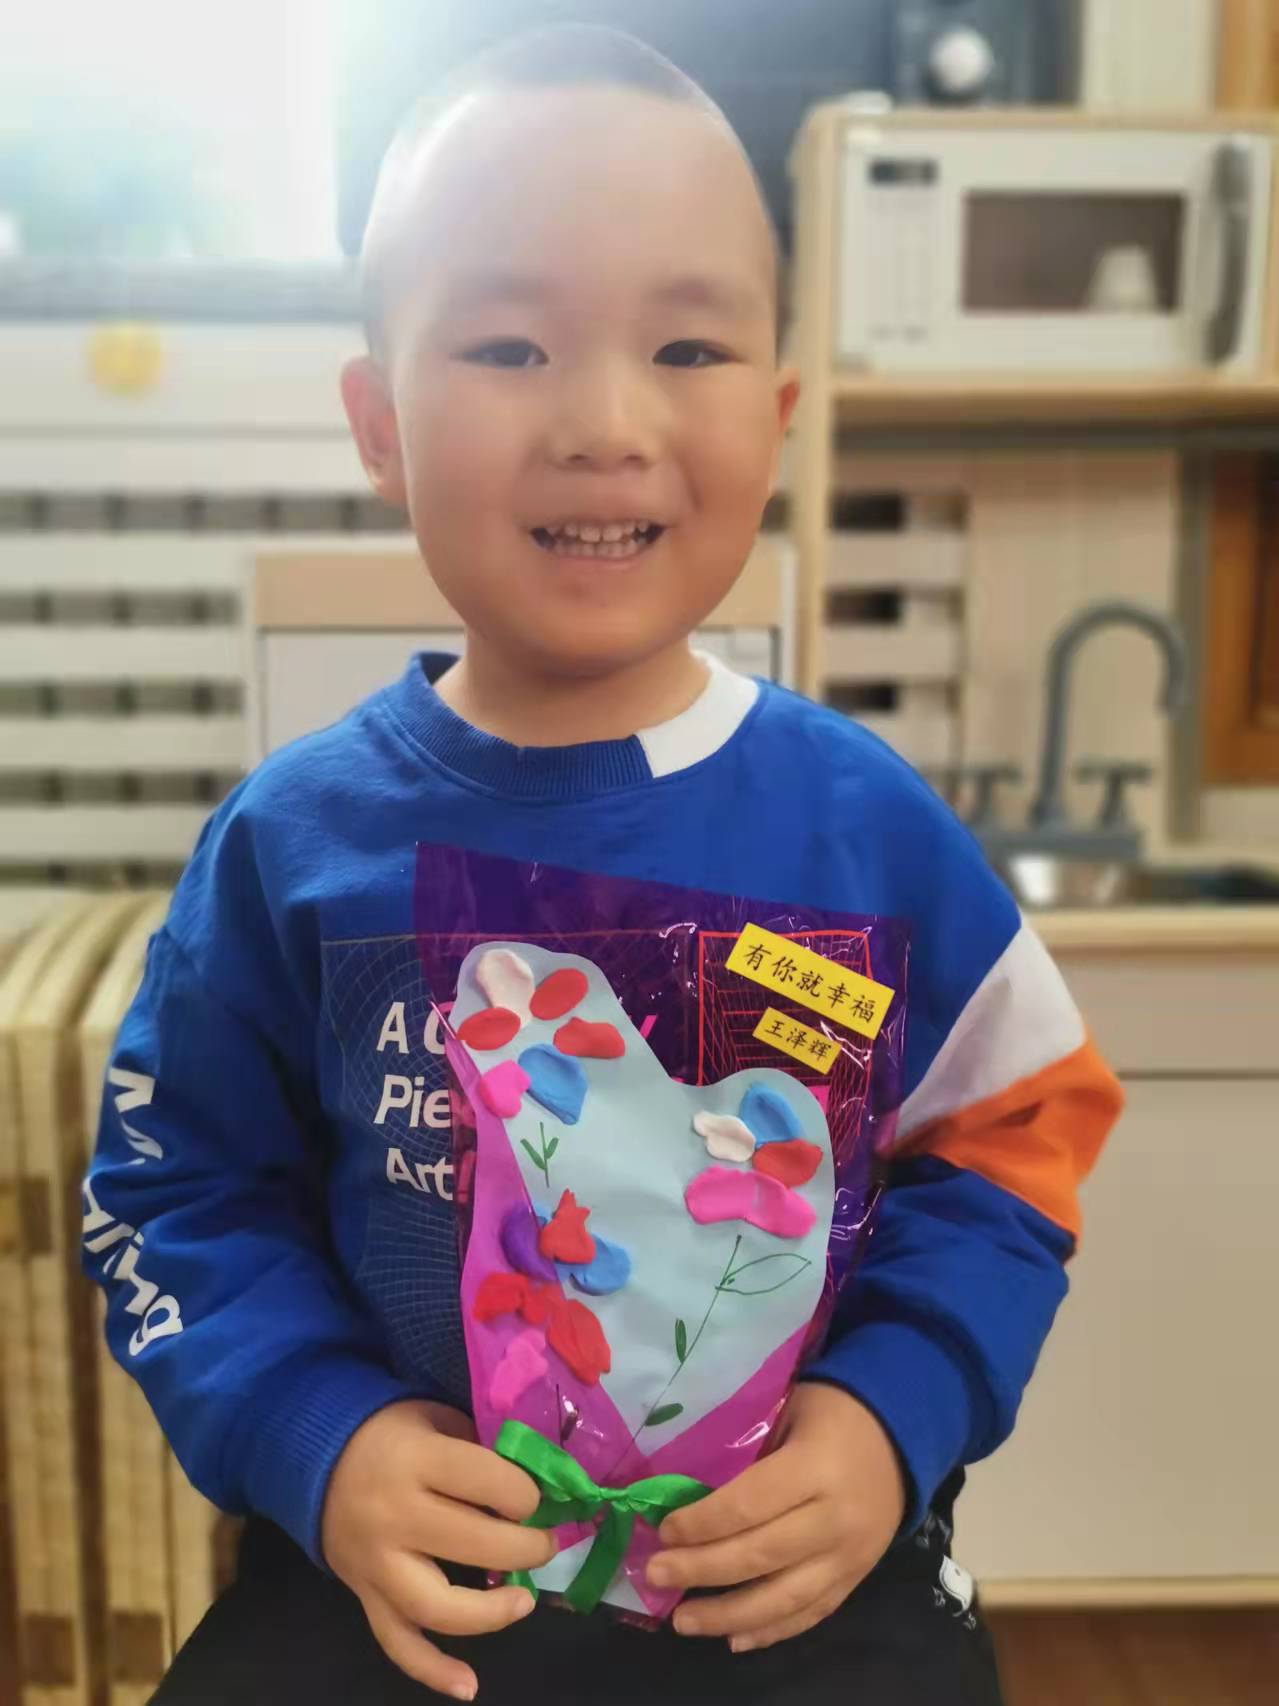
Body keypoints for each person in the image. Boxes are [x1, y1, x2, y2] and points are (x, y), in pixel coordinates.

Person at [84, 25, 1123, 1705]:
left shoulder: (870, 832)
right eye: (508, 344)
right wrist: (319, 1436)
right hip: (410, 1589)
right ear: (379, 422)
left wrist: (889, 1416)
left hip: (789, 1586)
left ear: (775, 418)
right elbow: (172, 1191)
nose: (604, 421)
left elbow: (1016, 1143)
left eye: (686, 344)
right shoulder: (286, 847)